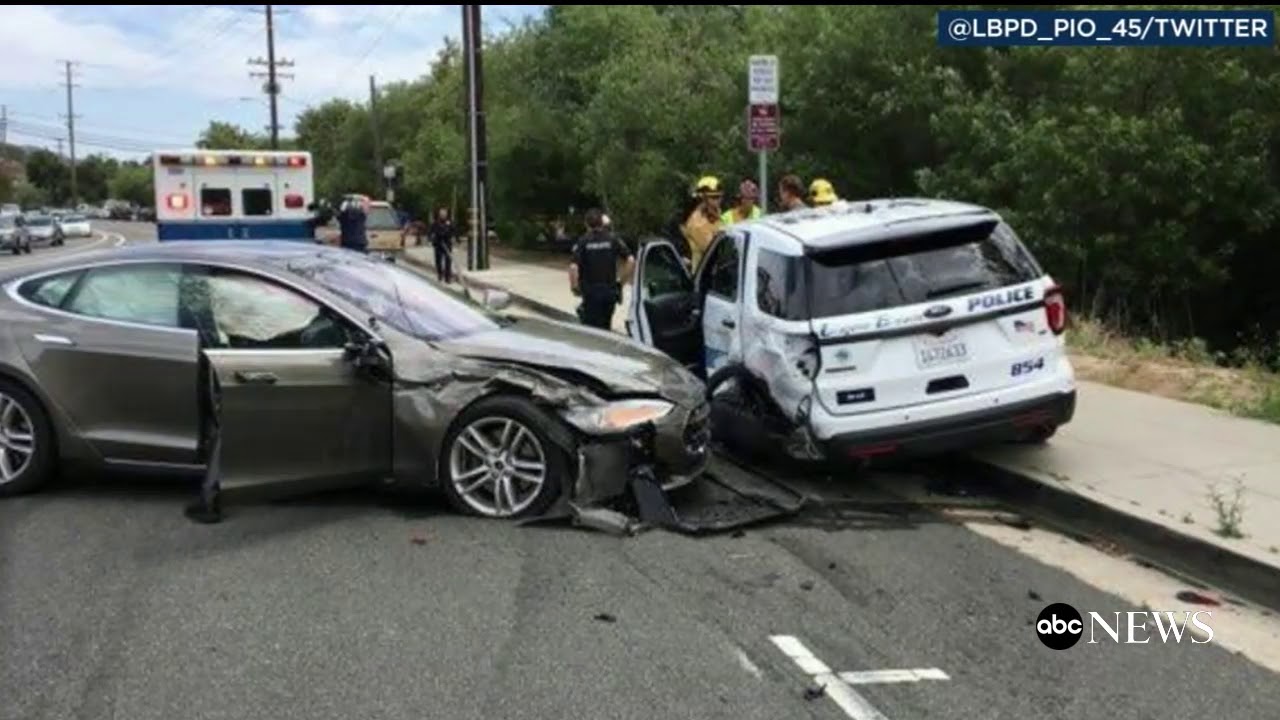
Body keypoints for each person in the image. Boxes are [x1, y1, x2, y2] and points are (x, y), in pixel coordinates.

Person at [570, 207, 634, 331]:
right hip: (609, 293)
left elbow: (573, 267)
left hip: (590, 294)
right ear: (602, 222)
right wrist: (621, 283)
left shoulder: (583, 241)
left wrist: (575, 287)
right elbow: (631, 260)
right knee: (606, 327)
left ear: (586, 224)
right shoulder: (613, 239)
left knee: (591, 331)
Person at [680, 175, 724, 269]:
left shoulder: (715, 217)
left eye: (719, 197)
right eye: (714, 198)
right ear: (702, 200)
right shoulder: (697, 223)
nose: (718, 202)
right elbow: (714, 251)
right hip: (702, 276)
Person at [427, 207, 456, 283]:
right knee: (438, 261)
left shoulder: (449, 222)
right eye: (441, 214)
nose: (443, 215)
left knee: (448, 260)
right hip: (438, 243)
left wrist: (454, 238)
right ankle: (440, 274)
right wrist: (430, 239)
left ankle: (447, 277)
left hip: (447, 243)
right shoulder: (436, 223)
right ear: (439, 214)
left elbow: (454, 231)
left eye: (444, 214)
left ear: (446, 214)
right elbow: (430, 231)